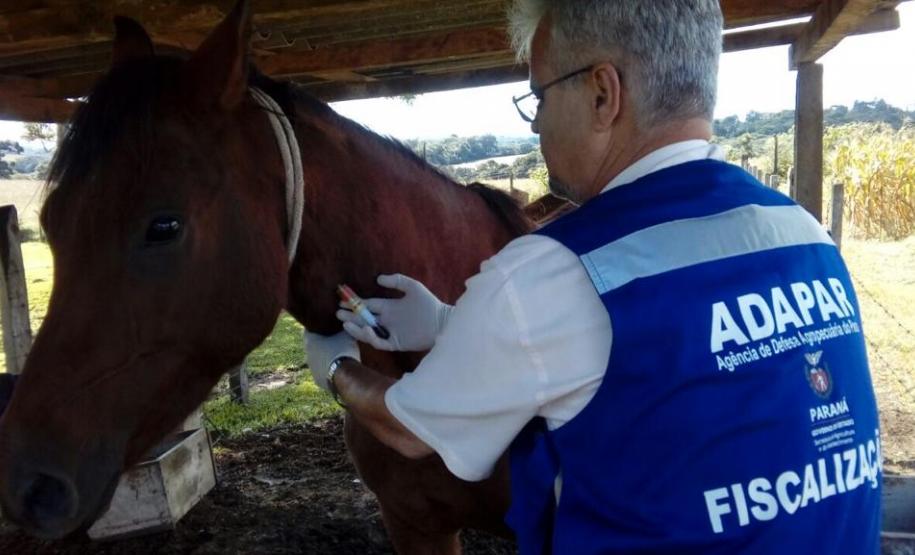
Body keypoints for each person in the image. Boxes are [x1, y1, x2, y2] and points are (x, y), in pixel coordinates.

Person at [304, 1, 883, 553]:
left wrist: (334, 365)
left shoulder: (558, 270)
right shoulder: (805, 233)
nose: (536, 126)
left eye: (540, 97)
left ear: (603, 94)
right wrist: (447, 323)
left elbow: (410, 429)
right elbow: (668, 359)